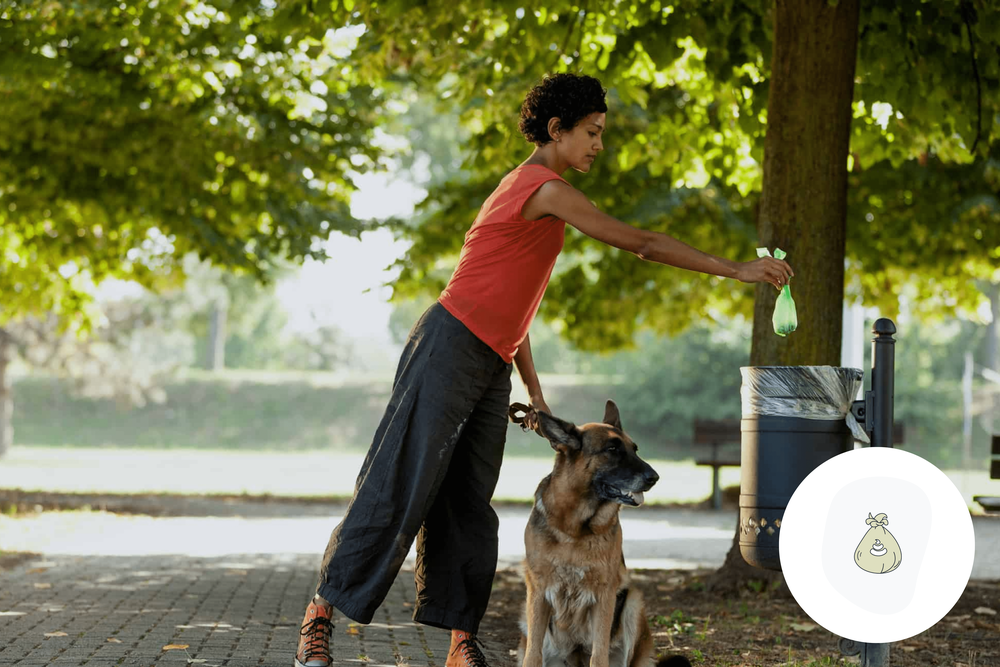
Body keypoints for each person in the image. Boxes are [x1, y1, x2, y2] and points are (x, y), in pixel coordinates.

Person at [294, 72, 794, 667]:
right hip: (447, 343)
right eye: (591, 132)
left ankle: (459, 643)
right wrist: (736, 270)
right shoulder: (541, 187)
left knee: (470, 500)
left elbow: (516, 300)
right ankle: (318, 619)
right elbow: (642, 242)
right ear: (555, 130)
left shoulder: (548, 200)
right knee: (401, 481)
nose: (598, 145)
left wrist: (532, 386)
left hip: (489, 360)